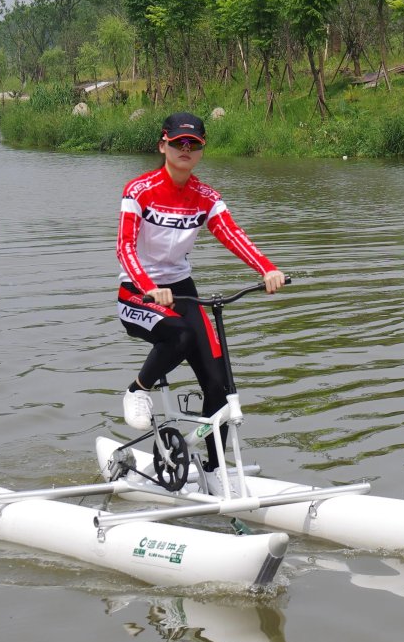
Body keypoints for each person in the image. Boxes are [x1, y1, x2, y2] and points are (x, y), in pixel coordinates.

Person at [116, 112, 286, 471]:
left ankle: (214, 468)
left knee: (219, 383)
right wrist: (149, 288)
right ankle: (137, 389)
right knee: (179, 337)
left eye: (194, 144)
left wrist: (267, 269)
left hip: (182, 290)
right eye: (178, 142)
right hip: (137, 292)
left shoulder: (206, 197)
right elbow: (125, 248)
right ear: (163, 145)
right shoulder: (138, 191)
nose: (185, 149)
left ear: (201, 152)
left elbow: (232, 234)